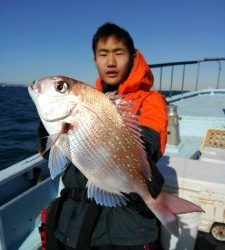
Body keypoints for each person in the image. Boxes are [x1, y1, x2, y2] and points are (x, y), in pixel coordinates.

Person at [38, 22, 168, 250]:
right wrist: (49, 122)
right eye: (103, 54)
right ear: (94, 61)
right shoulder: (92, 98)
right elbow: (48, 153)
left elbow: (149, 146)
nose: (110, 61)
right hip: (71, 220)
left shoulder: (150, 100)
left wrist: (110, 142)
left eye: (118, 53)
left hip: (122, 225)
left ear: (133, 56)